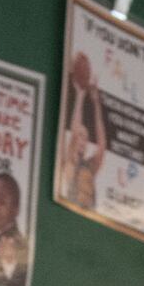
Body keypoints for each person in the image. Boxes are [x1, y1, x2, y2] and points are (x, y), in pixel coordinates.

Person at [58, 52, 106, 213]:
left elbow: (102, 145)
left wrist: (96, 103)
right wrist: (80, 95)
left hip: (91, 212)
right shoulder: (70, 164)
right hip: (72, 210)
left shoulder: (90, 167)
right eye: (80, 136)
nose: (82, 139)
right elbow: (74, 131)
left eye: (85, 137)